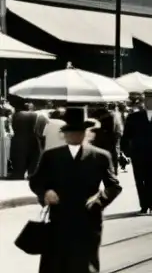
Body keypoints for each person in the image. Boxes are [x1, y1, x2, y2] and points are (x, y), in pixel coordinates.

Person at [29, 107, 122, 272]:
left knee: (84, 266)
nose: (74, 136)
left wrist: (99, 200)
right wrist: (45, 193)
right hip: (59, 219)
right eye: (70, 132)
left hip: (88, 220)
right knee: (55, 266)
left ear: (86, 133)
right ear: (64, 134)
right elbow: (36, 181)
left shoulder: (100, 156)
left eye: (79, 132)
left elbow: (114, 186)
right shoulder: (51, 156)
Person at [121, 91, 152, 215]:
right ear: (145, 102)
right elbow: (126, 136)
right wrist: (126, 152)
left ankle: (151, 204)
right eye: (150, 101)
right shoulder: (133, 117)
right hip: (138, 153)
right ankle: (144, 206)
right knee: (140, 180)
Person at [10, 101, 42, 179]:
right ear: (31, 108)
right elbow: (37, 128)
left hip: (18, 139)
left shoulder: (16, 115)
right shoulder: (35, 115)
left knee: (19, 159)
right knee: (33, 158)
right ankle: (31, 174)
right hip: (31, 139)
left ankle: (19, 174)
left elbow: (13, 126)